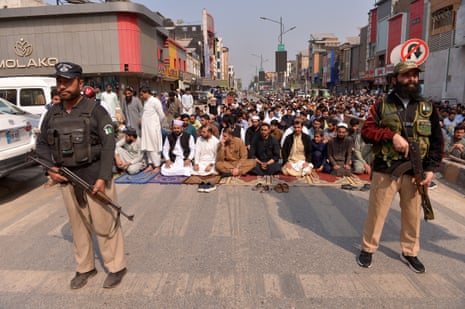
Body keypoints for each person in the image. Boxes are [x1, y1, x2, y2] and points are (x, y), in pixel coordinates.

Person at [36, 62, 127, 289]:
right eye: (59, 81)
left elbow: (108, 145)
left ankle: (116, 267)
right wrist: (50, 169)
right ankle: (85, 268)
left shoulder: (96, 110)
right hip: (68, 179)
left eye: (67, 81)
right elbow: (42, 145)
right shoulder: (52, 113)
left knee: (106, 224)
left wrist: (102, 177)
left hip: (95, 176)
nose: (62, 86)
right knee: (78, 226)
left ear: (80, 83)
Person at [357, 61, 443, 273]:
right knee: (377, 212)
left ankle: (410, 252)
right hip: (386, 169)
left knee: (412, 215)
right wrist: (391, 136)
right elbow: (366, 131)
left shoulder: (427, 108)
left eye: (415, 75)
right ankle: (368, 248)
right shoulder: (381, 105)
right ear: (395, 80)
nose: (412, 79)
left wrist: (431, 169)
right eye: (407, 76)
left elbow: (436, 141)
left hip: (416, 171)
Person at [140, 87, 165, 173]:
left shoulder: (155, 101)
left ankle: (157, 165)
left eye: (142, 94)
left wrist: (156, 125)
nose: (141, 96)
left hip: (153, 128)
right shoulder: (146, 102)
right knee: (148, 146)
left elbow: (161, 115)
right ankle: (150, 164)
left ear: (146, 92)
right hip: (146, 129)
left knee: (154, 146)